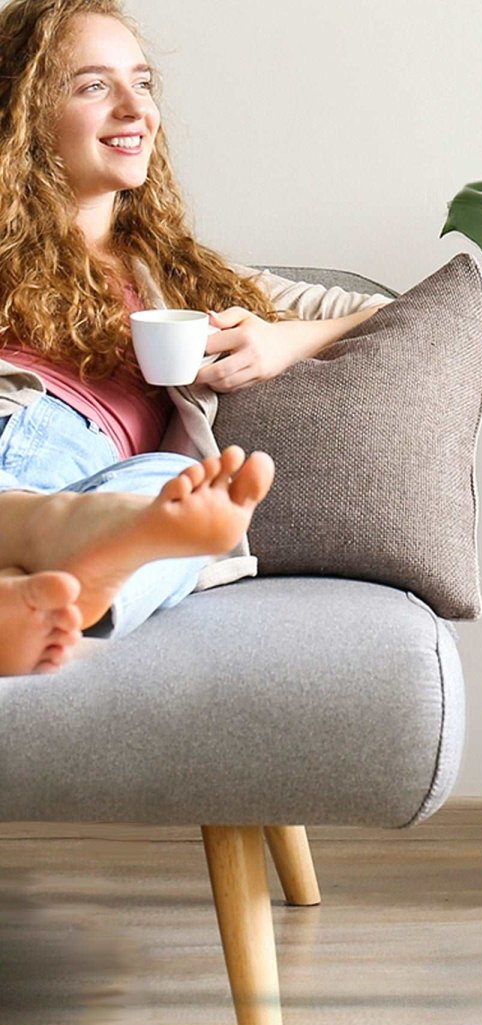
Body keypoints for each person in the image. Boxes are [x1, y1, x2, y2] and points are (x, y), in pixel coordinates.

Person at [0, 0, 389, 676]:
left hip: (102, 472)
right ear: (27, 114)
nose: (134, 108)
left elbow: (390, 309)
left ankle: (35, 587)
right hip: (14, 421)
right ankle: (68, 538)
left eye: (142, 83)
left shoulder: (182, 274)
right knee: (161, 515)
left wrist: (278, 341)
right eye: (94, 85)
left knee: (188, 490)